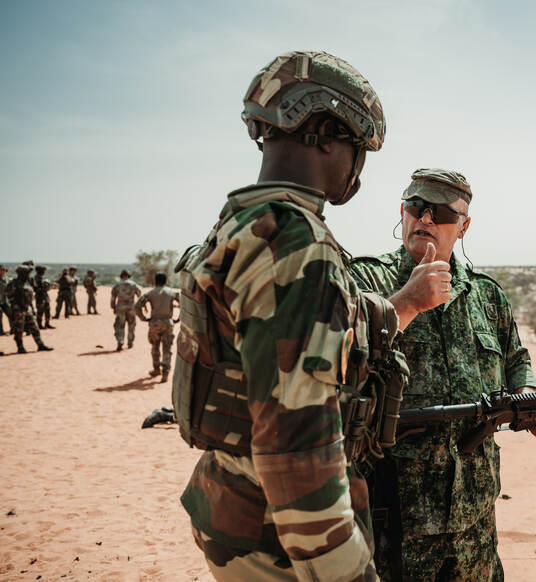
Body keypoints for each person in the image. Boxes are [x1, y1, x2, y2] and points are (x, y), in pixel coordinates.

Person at [176, 50, 441, 582]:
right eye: (356, 148)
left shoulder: (247, 224)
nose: (357, 168)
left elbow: (313, 330)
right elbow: (296, 450)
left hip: (234, 514)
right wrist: (346, 574)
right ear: (323, 131)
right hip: (281, 541)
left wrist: (402, 304)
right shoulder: (297, 243)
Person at [349, 169, 536, 581]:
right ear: (403, 212)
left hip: (475, 524)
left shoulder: (487, 296)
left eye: (442, 213)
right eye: (417, 207)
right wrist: (406, 303)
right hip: (393, 522)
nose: (426, 219)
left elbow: (516, 360)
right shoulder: (366, 280)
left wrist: (531, 402)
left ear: (463, 226)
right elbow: (338, 355)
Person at [135, 272, 179, 382]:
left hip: (154, 323)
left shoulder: (150, 293)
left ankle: (156, 369)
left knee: (155, 346)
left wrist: (143, 318)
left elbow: (137, 306)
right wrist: (178, 318)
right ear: (165, 281)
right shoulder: (172, 292)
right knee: (167, 348)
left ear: (156, 281)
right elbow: (183, 303)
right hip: (168, 323)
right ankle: (165, 372)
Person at [6, 265, 53, 353]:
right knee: (19, 330)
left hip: (28, 309)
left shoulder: (28, 282)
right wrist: (16, 306)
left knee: (35, 327)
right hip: (18, 310)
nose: (28, 275)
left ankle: (40, 345)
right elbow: (9, 296)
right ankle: (20, 347)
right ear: (21, 273)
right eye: (26, 273)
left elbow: (32, 293)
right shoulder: (14, 283)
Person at [111, 269, 142, 351]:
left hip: (120, 308)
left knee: (120, 325)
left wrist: (113, 307)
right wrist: (141, 307)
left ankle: (120, 340)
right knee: (132, 325)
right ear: (128, 276)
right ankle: (130, 342)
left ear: (121, 276)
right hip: (131, 307)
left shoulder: (117, 285)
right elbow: (140, 296)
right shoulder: (134, 284)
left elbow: (113, 298)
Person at [33, 265, 54, 330]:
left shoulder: (40, 277)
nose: (44, 272)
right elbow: (36, 288)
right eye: (43, 270)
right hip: (40, 296)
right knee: (40, 312)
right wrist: (43, 287)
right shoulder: (36, 278)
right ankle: (39, 325)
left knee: (47, 310)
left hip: (44, 296)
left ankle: (47, 324)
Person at [0, 264, 10, 335]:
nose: (3, 271)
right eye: (2, 270)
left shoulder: (7, 278)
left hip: (6, 300)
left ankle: (13, 329)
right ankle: (1, 331)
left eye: (4, 270)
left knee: (11, 314)